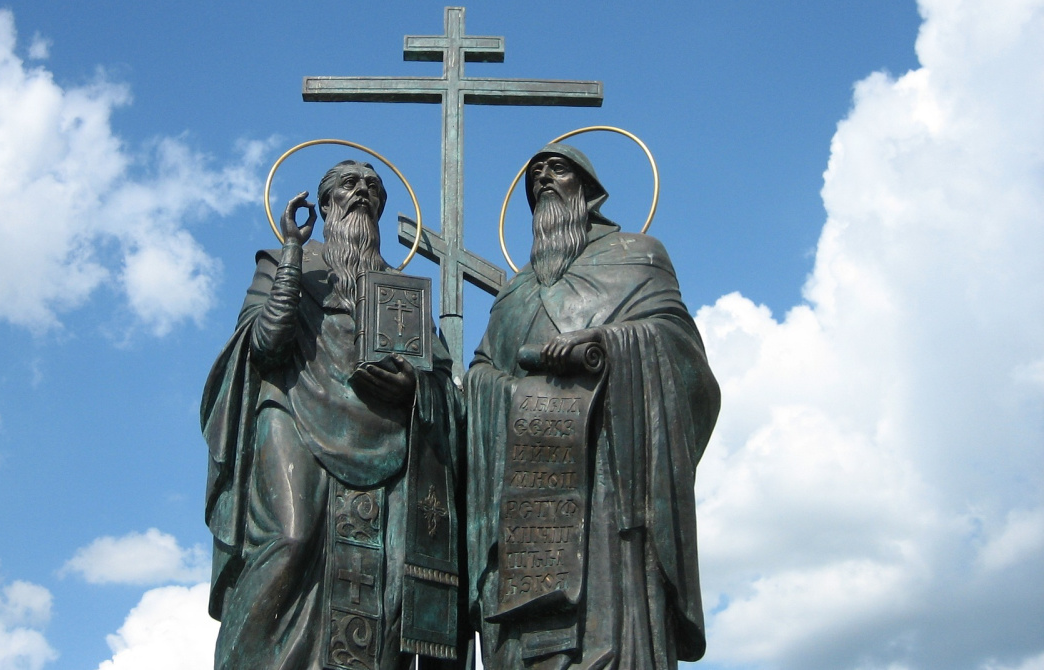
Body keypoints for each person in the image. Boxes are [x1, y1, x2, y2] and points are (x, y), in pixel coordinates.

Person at [465, 143, 720, 670]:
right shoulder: (513, 295)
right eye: (535, 175)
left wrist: (604, 343)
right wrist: (508, 392)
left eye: (557, 169)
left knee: (609, 632)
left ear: (589, 191)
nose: (543, 179)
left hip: (609, 477)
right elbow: (482, 371)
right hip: (527, 491)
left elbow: (681, 352)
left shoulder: (638, 256)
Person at [201, 160, 463, 670]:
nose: (362, 191)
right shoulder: (285, 261)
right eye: (349, 184)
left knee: (382, 578)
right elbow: (264, 345)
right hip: (293, 412)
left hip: (384, 439)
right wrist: (292, 254)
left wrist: (413, 388)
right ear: (325, 205)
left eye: (373, 187)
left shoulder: (400, 291)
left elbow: (441, 382)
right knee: (290, 539)